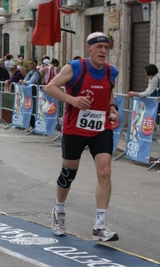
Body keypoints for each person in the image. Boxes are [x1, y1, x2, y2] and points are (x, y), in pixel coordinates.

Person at [45, 32, 120, 242]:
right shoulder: (76, 67)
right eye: (99, 47)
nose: (103, 51)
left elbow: (109, 93)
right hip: (75, 128)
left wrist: (113, 108)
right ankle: (58, 211)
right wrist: (72, 99)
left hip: (101, 127)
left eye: (106, 47)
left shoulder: (110, 71)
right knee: (69, 173)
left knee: (105, 171)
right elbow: (50, 87)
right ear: (89, 49)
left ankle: (100, 225)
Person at [127, 64, 160, 153]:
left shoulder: (154, 80)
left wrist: (135, 93)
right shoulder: (151, 80)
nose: (144, 72)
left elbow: (148, 92)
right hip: (158, 105)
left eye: (145, 71)